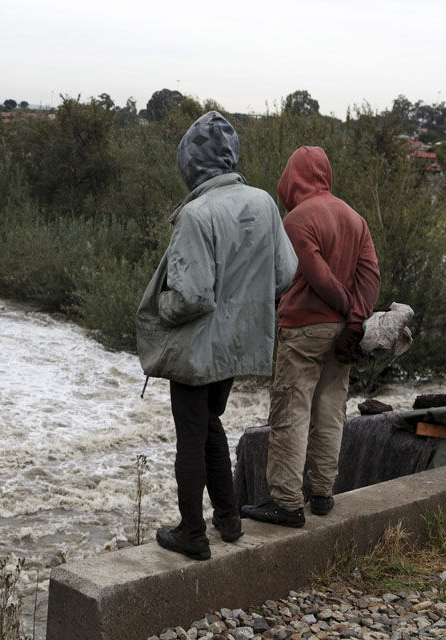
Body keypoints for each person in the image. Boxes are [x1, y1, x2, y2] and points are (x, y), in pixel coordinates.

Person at [137, 111, 297, 561]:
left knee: (189, 434)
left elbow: (189, 297)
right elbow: (285, 272)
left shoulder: (196, 213)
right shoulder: (264, 202)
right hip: (237, 344)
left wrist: (160, 310)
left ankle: (192, 532)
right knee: (210, 424)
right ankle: (228, 520)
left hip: (195, 348)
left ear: (191, 162)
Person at [242, 146, 380, 527]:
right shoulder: (356, 219)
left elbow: (316, 276)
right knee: (331, 410)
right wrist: (354, 323)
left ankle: (286, 503)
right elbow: (371, 277)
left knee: (291, 410)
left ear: (293, 178)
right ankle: (322, 494)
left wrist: (347, 315)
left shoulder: (297, 220)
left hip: (303, 328)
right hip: (344, 336)